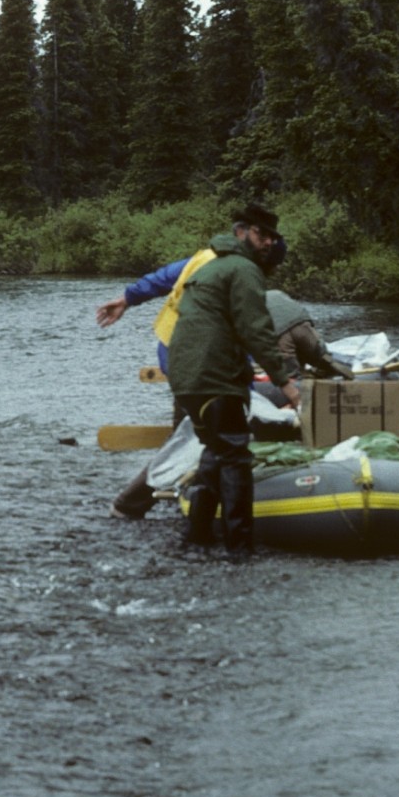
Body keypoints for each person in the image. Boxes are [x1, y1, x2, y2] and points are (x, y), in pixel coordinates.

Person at [165, 204, 299, 555]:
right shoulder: (243, 269)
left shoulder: (213, 265)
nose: (268, 242)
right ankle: (241, 549)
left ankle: (197, 539)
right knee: (237, 456)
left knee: (216, 451)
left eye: (272, 236)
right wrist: (286, 383)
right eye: (261, 234)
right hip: (213, 378)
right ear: (241, 231)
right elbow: (256, 329)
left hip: (187, 379)